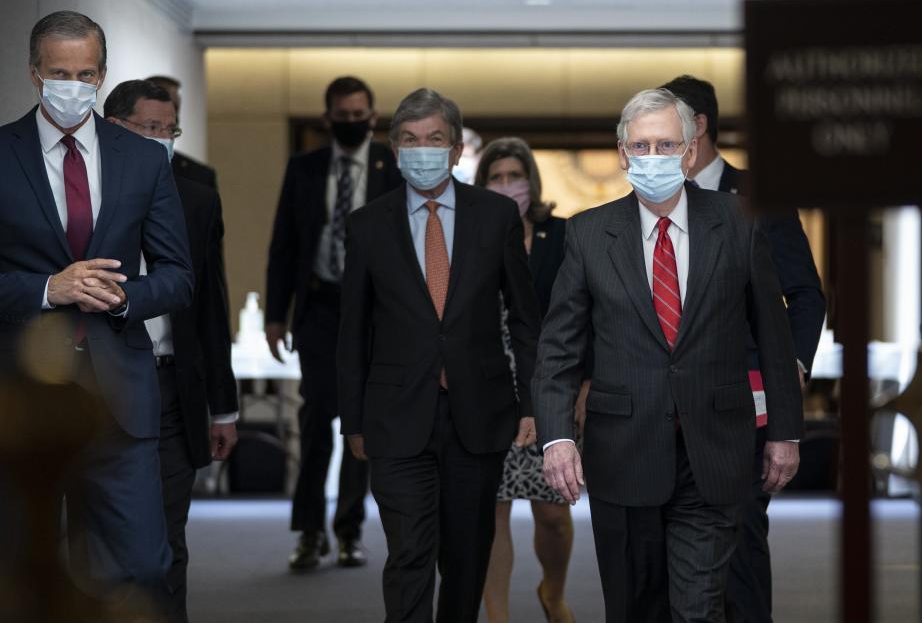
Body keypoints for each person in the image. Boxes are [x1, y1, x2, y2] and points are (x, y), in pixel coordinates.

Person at [534, 88, 804, 623]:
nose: (651, 158)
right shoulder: (589, 233)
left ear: (688, 151)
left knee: (698, 607)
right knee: (634, 606)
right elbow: (559, 347)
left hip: (715, 447)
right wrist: (558, 436)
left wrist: (785, 431)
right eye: (640, 145)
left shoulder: (737, 220)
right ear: (621, 153)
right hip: (623, 452)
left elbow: (773, 336)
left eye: (665, 145)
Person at [0, 11, 193, 615]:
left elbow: (178, 276)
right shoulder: (1, 154)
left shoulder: (143, 159)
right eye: (60, 73)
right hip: (19, 401)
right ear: (35, 73)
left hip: (120, 395)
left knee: (142, 566)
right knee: (20, 570)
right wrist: (47, 289)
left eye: (86, 74)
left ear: (103, 74)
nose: (73, 86)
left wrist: (127, 295)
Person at [337, 88, 541, 622]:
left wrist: (533, 402)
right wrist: (352, 420)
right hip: (395, 415)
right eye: (409, 140)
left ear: (455, 151)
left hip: (479, 413)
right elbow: (352, 330)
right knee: (409, 553)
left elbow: (524, 317)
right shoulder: (367, 224)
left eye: (434, 139)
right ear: (395, 148)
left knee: (467, 557)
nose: (421, 150)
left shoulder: (495, 216)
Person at [661, 74, 826, 623]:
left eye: (669, 127)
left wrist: (792, 370)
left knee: (741, 543)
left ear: (699, 126)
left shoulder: (760, 197)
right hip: (666, 409)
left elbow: (803, 292)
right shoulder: (653, 197)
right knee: (669, 551)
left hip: (747, 405)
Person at [103, 79, 240, 623]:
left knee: (166, 537)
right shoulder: (84, 193)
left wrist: (223, 405)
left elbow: (211, 304)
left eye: (169, 129)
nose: (163, 139)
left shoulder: (197, 200)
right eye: (150, 128)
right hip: (102, 378)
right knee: (100, 537)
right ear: (115, 129)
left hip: (169, 386)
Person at [266, 76, 403, 570]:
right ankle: (308, 531)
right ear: (327, 118)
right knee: (316, 419)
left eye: (358, 115)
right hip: (320, 309)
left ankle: (348, 531)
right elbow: (284, 243)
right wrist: (275, 315)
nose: (350, 123)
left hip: (375, 312)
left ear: (373, 115)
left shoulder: (393, 166)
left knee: (359, 423)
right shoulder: (304, 168)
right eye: (341, 116)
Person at [475, 138, 578, 623]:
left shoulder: (562, 235)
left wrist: (584, 386)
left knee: (554, 515)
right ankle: (497, 617)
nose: (505, 186)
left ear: (530, 181)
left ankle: (552, 593)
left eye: (513, 176)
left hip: (550, 384)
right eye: (495, 177)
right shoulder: (471, 234)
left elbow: (586, 314)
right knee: (491, 515)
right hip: (487, 390)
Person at [145, 75, 218, 190]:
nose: (172, 113)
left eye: (175, 107)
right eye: (164, 103)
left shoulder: (199, 176)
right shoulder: (112, 169)